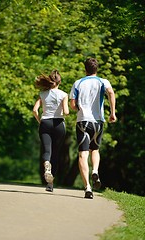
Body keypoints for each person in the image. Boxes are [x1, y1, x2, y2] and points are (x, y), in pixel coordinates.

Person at [70, 58, 116, 199]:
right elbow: (111, 93)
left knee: (83, 154)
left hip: (83, 121)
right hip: (98, 122)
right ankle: (95, 170)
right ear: (97, 69)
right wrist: (113, 113)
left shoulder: (78, 83)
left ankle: (88, 188)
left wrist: (78, 108)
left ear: (85, 69)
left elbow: (72, 104)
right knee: (95, 149)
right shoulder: (103, 81)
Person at [33, 70, 69, 192]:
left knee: (47, 150)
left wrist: (40, 121)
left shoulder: (42, 94)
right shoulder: (63, 94)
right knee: (56, 153)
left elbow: (34, 110)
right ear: (59, 82)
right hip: (59, 124)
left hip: (45, 123)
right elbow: (67, 112)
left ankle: (46, 165)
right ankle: (50, 184)